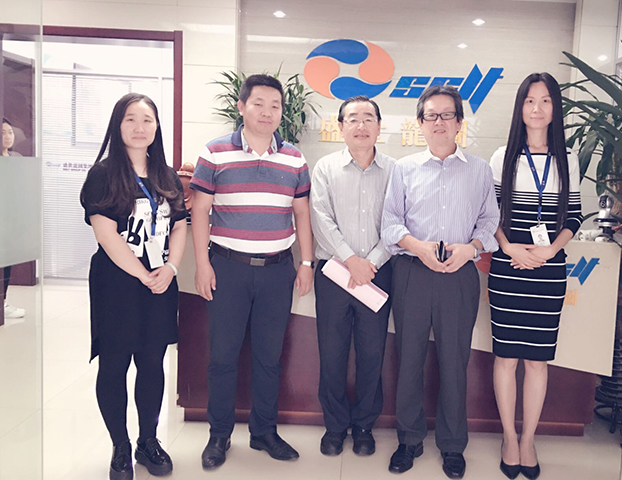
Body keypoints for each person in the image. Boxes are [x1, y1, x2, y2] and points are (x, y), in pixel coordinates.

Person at [190, 74, 314, 469]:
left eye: (275, 105)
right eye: (258, 103)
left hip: (277, 271)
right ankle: (219, 435)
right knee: (223, 356)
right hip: (228, 268)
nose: (267, 112)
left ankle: (264, 432)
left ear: (282, 112)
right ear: (242, 106)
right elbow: (200, 211)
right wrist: (202, 264)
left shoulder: (294, 158)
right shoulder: (215, 152)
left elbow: (302, 214)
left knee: (269, 357)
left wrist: (306, 263)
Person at [381, 85, 499, 479]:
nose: (439, 122)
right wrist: (418, 247)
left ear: (459, 122)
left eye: (447, 115)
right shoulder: (404, 169)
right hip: (413, 271)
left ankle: (452, 445)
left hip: (459, 273)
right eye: (431, 115)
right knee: (409, 358)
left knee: (454, 361)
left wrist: (472, 248)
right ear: (420, 123)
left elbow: (490, 220)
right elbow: (390, 223)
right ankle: (409, 439)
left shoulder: (479, 170)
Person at [80, 93, 187, 480]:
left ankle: (148, 441)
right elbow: (105, 234)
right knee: (114, 364)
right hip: (117, 284)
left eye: (147, 120)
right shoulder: (103, 175)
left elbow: (179, 225)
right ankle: (120, 446)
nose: (140, 127)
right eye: (131, 119)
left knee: (152, 363)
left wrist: (171, 268)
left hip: (160, 282)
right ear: (118, 125)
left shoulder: (167, 176)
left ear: (157, 127)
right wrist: (143, 274)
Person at [488, 73, 583, 480]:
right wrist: (509, 247)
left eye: (545, 100)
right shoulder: (502, 157)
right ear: (520, 108)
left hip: (548, 270)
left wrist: (551, 250)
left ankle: (529, 439)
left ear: (555, 108)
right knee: (507, 357)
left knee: (538, 360)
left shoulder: (568, 159)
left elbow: (574, 215)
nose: (537, 108)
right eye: (530, 100)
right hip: (508, 267)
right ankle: (509, 438)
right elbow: (489, 214)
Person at [310, 96, 395, 457]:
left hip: (378, 273)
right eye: (353, 119)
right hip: (333, 274)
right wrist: (350, 260)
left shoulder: (395, 171)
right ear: (341, 126)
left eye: (368, 118)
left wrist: (369, 263)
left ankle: (363, 426)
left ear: (379, 126)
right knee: (331, 353)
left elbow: (398, 223)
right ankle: (334, 426)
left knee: (371, 353)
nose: (361, 125)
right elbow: (320, 218)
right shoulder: (325, 168)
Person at [2, 118, 25, 319]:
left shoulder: (16, 157)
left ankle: (3, 302)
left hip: (11, 220)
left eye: (10, 132)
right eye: (3, 133)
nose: (8, 136)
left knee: (7, 263)